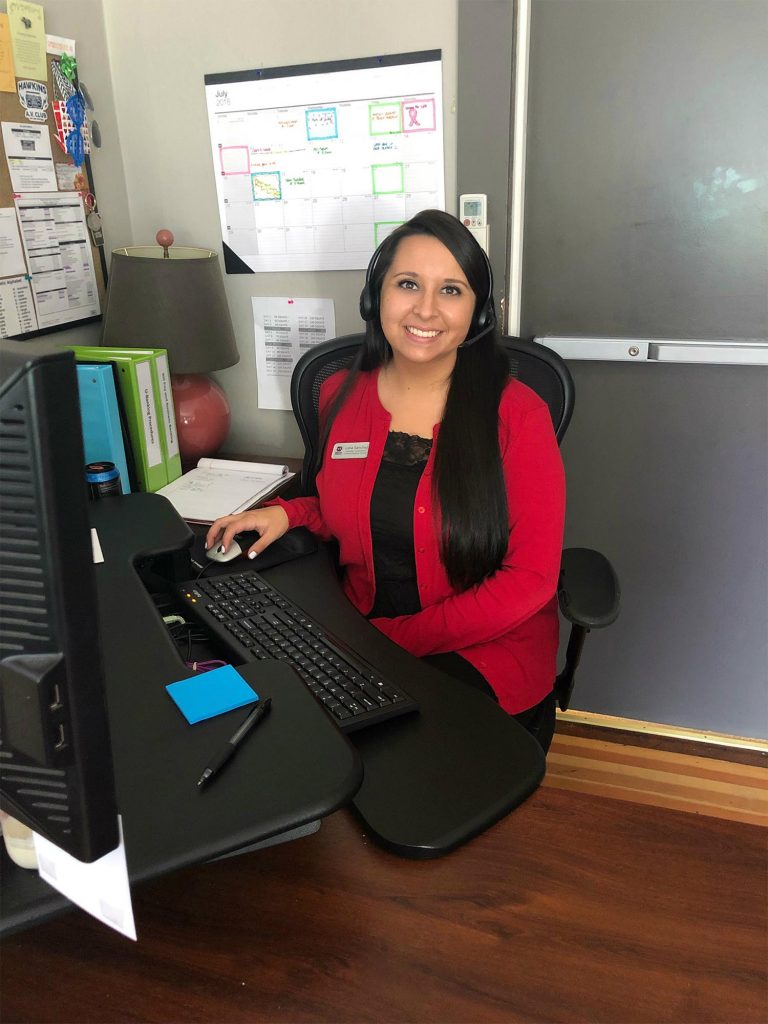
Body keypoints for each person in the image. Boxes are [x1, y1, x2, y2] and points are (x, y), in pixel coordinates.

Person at [206, 210, 565, 751]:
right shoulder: (341, 395)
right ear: (377, 298)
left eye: (450, 289)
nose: (425, 309)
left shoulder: (518, 415)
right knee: (246, 715)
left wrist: (389, 643)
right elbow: (355, 504)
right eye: (407, 285)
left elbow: (530, 578)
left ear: (478, 311)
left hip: (482, 650)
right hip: (364, 630)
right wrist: (288, 512)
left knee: (379, 766)